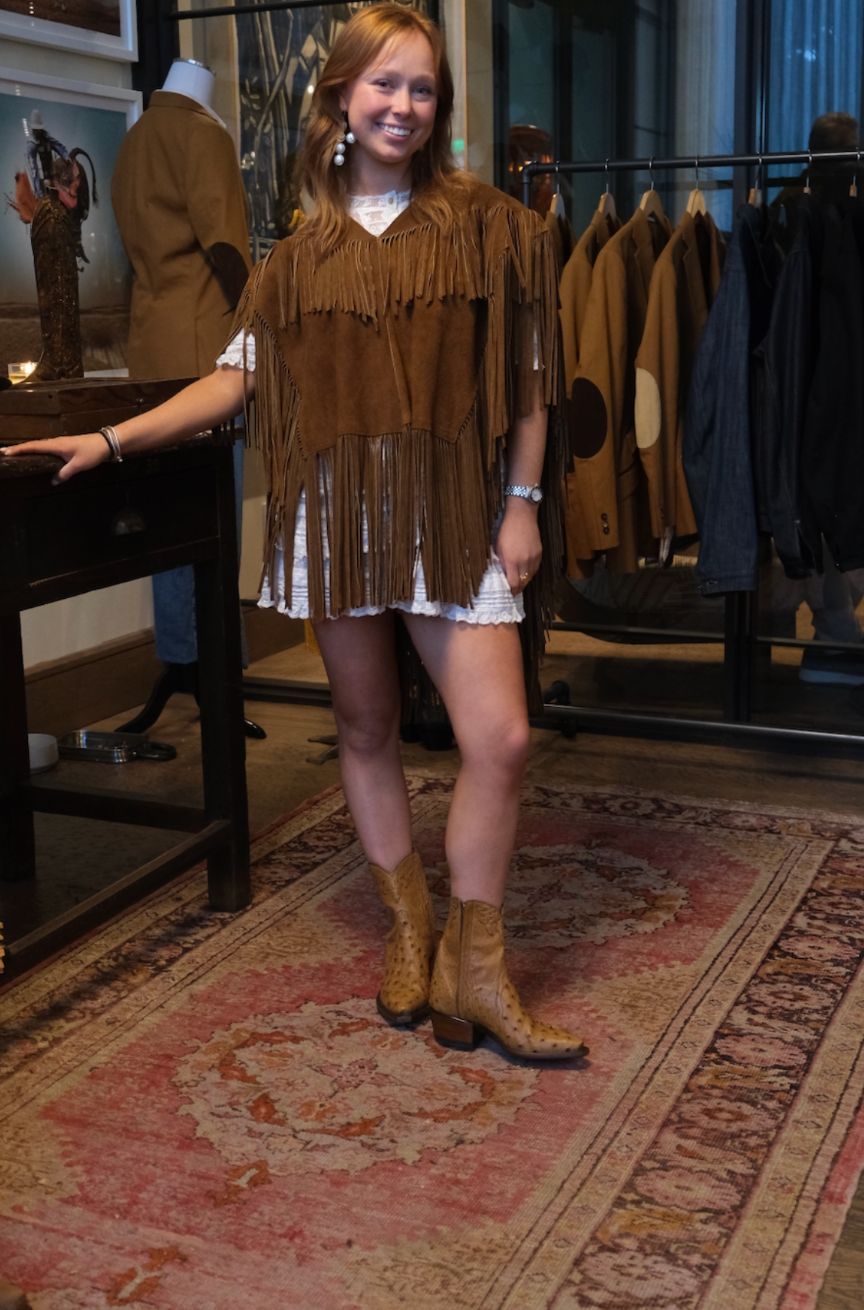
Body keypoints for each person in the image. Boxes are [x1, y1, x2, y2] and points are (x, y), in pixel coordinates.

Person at [1, 4, 586, 1063]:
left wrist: (522, 504)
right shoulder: (297, 259)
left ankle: (475, 967)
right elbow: (233, 383)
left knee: (500, 737)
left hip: (458, 516)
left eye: (422, 87)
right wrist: (112, 438)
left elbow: (531, 380)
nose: (403, 105)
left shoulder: (494, 227)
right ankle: (411, 929)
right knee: (363, 726)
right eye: (385, 84)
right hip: (340, 519)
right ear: (342, 99)